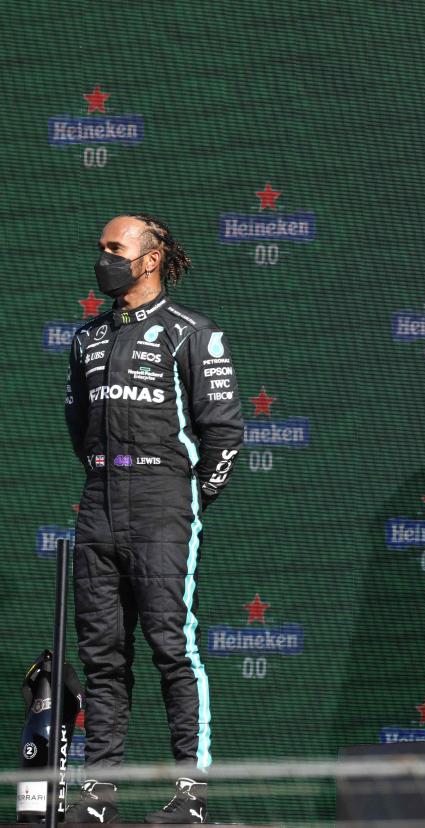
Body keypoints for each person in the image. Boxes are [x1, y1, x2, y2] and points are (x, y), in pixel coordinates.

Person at [63, 214, 243, 824]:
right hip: (98, 501)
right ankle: (97, 796)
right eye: (102, 247)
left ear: (150, 259)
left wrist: (189, 497)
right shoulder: (86, 337)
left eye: (116, 248)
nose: (104, 257)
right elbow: (76, 427)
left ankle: (189, 795)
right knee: (102, 655)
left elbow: (223, 431)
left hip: (162, 501)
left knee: (171, 646)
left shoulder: (191, 332)